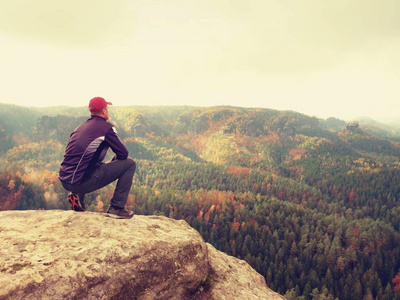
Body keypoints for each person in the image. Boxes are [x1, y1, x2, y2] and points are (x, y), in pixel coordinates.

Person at [59, 97, 136, 219]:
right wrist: (114, 161)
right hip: (82, 183)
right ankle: (116, 208)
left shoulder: (80, 127)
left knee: (91, 165)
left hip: (65, 181)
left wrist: (108, 164)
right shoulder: (106, 128)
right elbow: (123, 154)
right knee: (130, 164)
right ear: (104, 111)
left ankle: (77, 195)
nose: (108, 111)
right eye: (107, 108)